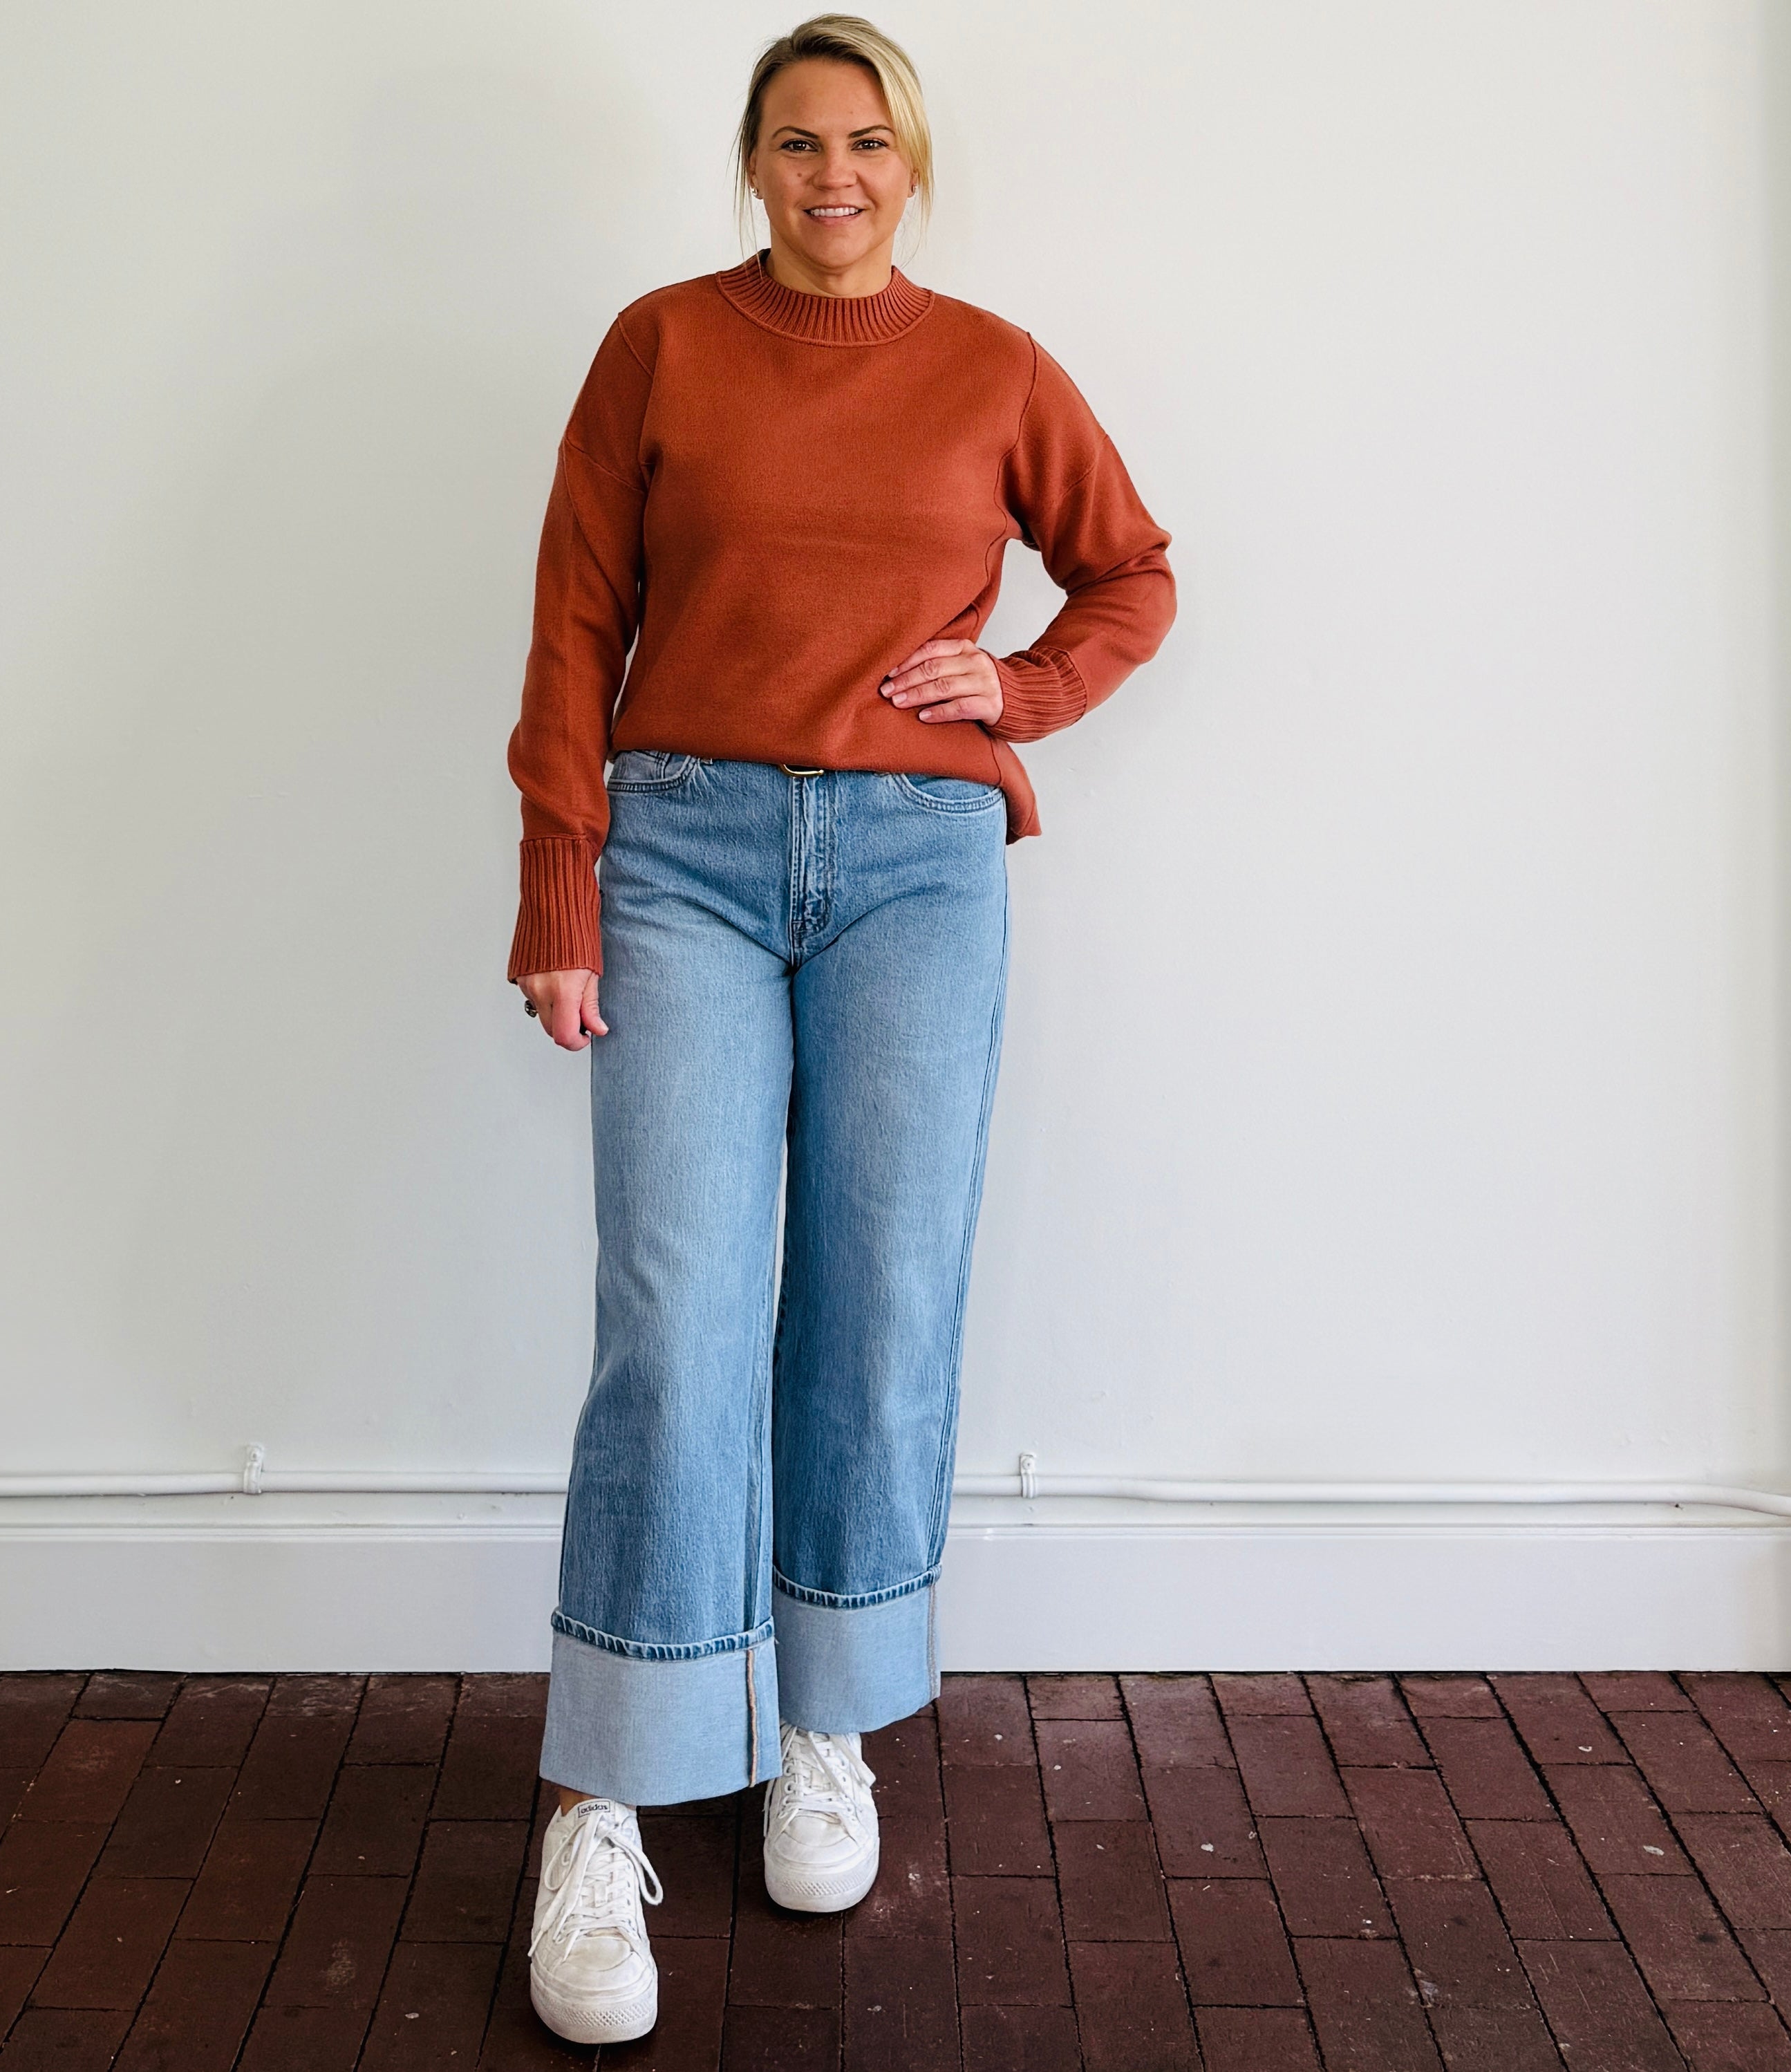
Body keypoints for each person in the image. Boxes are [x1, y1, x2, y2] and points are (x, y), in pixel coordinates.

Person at [503, 12, 1175, 2044]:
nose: (834, 175)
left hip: (916, 866)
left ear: (914, 164)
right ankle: (604, 1794)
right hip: (684, 854)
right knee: (679, 1316)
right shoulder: (659, 347)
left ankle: (827, 1725)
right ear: (752, 162)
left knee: (882, 1298)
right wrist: (559, 885)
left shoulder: (995, 368)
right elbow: (575, 619)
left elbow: (1132, 575)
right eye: (798, 142)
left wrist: (1023, 693)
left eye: (868, 141)